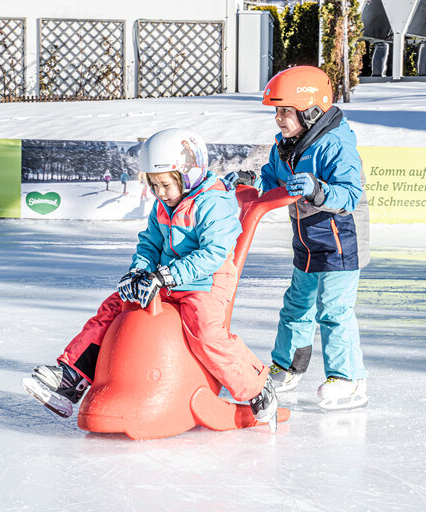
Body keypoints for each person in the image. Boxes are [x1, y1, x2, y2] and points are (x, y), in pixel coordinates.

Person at [23, 128, 278, 430]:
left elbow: (214, 253)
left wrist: (168, 274)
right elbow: (149, 244)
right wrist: (140, 272)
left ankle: (257, 386)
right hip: (167, 279)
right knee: (115, 307)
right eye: (154, 185)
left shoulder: (214, 202)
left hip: (207, 281)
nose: (160, 193)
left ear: (188, 173)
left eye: (166, 184)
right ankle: (72, 379)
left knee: (205, 330)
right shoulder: (163, 205)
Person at [244, 66, 370, 411]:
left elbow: (349, 195)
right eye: (277, 112)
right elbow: (271, 180)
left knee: (333, 309)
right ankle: (287, 368)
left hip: (340, 240)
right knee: (296, 306)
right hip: (306, 240)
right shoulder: (285, 145)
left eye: (286, 111)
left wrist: (317, 189)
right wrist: (249, 183)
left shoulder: (335, 144)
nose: (279, 120)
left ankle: (348, 378)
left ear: (311, 110)